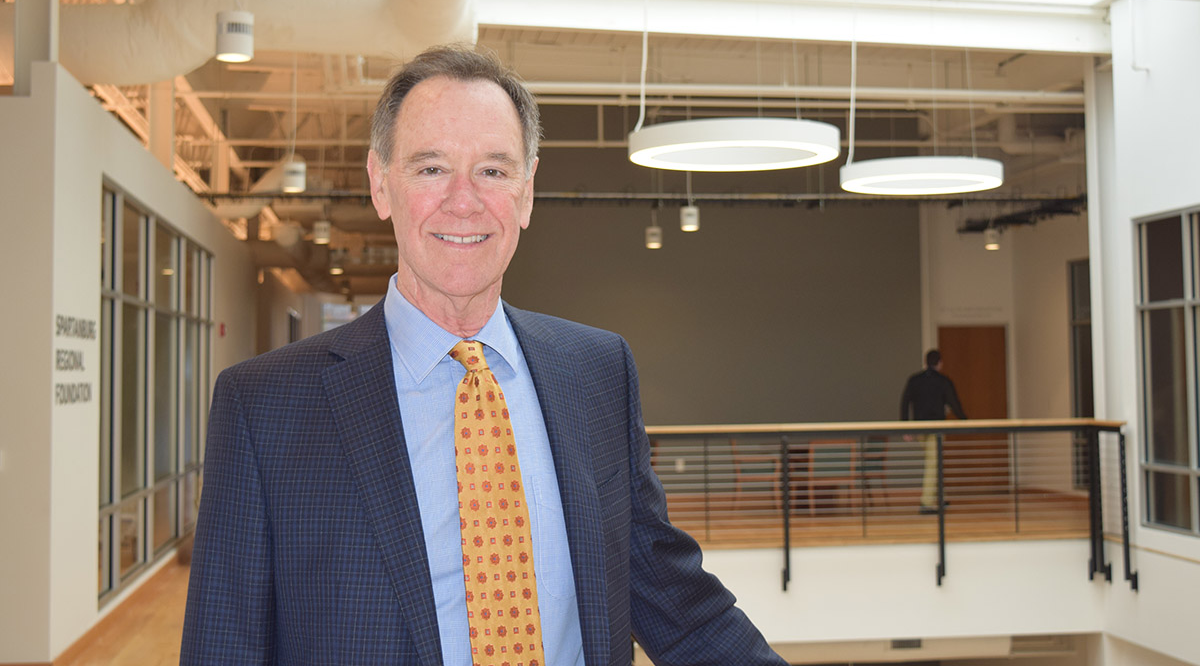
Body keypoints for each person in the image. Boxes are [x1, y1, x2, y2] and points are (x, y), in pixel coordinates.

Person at [180, 45, 785, 666]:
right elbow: (224, 647)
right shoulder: (266, 406)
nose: (463, 201)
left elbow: (679, 607)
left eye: (493, 171)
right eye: (431, 168)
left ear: (526, 193)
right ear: (380, 183)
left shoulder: (598, 373)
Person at [899, 349, 968, 514]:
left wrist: (904, 426)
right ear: (939, 363)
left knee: (934, 461)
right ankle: (926, 503)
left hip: (919, 429)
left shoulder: (914, 380)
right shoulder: (943, 381)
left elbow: (904, 402)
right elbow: (954, 402)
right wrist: (965, 421)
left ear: (925, 362)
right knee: (933, 463)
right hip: (936, 429)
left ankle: (940, 496)